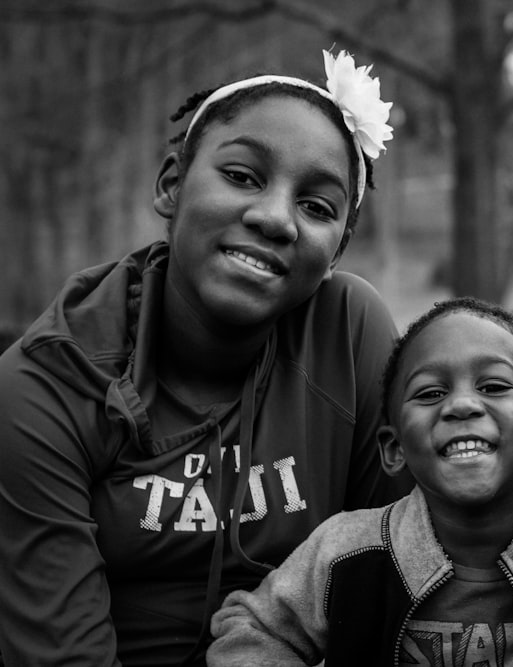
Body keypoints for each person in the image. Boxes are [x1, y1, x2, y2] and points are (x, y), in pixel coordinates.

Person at [0, 48, 413, 665]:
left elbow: (399, 577)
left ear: (338, 249)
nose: (275, 218)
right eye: (243, 176)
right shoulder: (46, 384)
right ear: (172, 184)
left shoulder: (348, 335)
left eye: (317, 207)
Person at [207, 296, 513, 666]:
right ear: (395, 449)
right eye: (430, 393)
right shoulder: (342, 553)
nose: (460, 406)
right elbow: (250, 630)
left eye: (494, 386)